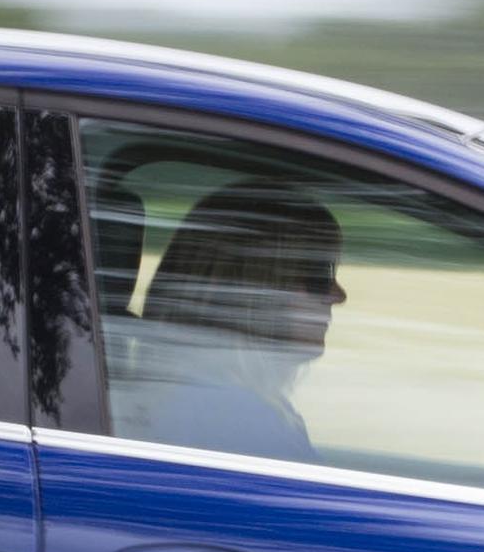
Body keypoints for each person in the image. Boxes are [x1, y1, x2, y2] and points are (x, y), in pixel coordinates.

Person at [115, 178, 347, 459]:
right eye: (320, 275)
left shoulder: (189, 396)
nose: (338, 294)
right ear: (259, 290)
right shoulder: (239, 421)